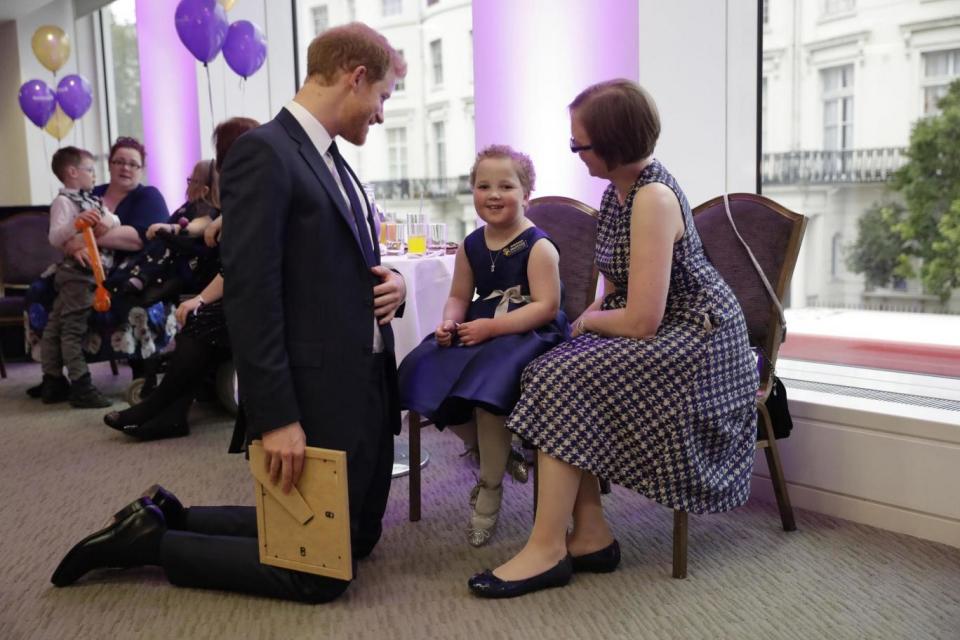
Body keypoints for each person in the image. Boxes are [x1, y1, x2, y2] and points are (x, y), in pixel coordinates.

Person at [53, 23, 408, 604]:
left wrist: (390, 279)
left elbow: (344, 253)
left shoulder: (330, 158)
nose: (382, 114)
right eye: (384, 97)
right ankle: (152, 544)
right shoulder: (265, 153)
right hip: (313, 385)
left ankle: (169, 515)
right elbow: (252, 291)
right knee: (318, 575)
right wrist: (275, 417)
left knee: (358, 539)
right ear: (356, 77)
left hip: (359, 377)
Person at [467, 79, 760, 598]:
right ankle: (591, 535)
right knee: (556, 365)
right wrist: (592, 319)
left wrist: (586, 323)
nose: (576, 153)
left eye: (580, 144)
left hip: (701, 341)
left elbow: (642, 321)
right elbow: (618, 288)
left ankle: (547, 547)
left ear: (613, 143)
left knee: (559, 374)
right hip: (664, 326)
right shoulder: (618, 190)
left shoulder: (652, 198)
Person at [398, 145, 567, 547]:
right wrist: (450, 321)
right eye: (483, 185)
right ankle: (488, 448)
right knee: (421, 369)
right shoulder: (471, 245)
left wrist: (491, 329)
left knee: (487, 385)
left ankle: (490, 487)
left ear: (526, 194)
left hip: (528, 332)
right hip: (481, 326)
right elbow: (459, 295)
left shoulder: (538, 246)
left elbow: (548, 306)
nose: (493, 194)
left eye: (506, 186)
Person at [102, 120, 257, 441]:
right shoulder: (244, 194)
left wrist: (201, 299)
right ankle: (170, 414)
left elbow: (241, 263)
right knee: (199, 317)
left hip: (262, 296)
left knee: (201, 319)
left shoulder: (251, 194)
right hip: (246, 287)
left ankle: (160, 409)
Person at [35, 147, 143, 408]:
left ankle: (52, 381)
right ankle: (81, 385)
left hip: (88, 272)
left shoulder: (91, 199)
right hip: (79, 275)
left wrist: (110, 222)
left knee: (55, 327)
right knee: (72, 330)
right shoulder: (63, 202)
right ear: (73, 172)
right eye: (90, 170)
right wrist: (76, 224)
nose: (95, 175)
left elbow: (112, 219)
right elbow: (54, 237)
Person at [104, 158, 220, 302]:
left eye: (193, 181)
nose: (188, 185)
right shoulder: (188, 206)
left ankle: (141, 279)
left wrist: (173, 228)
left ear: (204, 189)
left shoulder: (207, 207)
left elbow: (200, 225)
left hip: (182, 264)